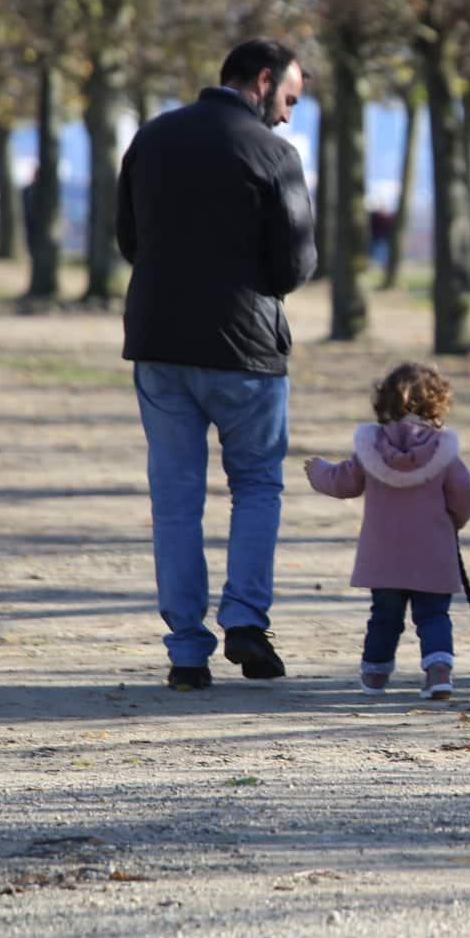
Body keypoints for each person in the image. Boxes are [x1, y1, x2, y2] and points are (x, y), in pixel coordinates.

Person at [117, 38, 317, 691]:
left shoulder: (152, 138)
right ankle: (247, 622)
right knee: (256, 486)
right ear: (262, 81)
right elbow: (295, 265)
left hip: (160, 343)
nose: (287, 114)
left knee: (175, 501)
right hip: (246, 351)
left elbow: (128, 239)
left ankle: (185, 652)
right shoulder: (274, 154)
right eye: (289, 99)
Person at [304, 362, 470, 700]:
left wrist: (318, 471)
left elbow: (344, 482)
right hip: (432, 552)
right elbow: (464, 495)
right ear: (437, 404)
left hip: (382, 556)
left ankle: (374, 676)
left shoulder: (371, 448)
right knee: (434, 615)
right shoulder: (444, 452)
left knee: (384, 616)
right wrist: (454, 521)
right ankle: (438, 673)